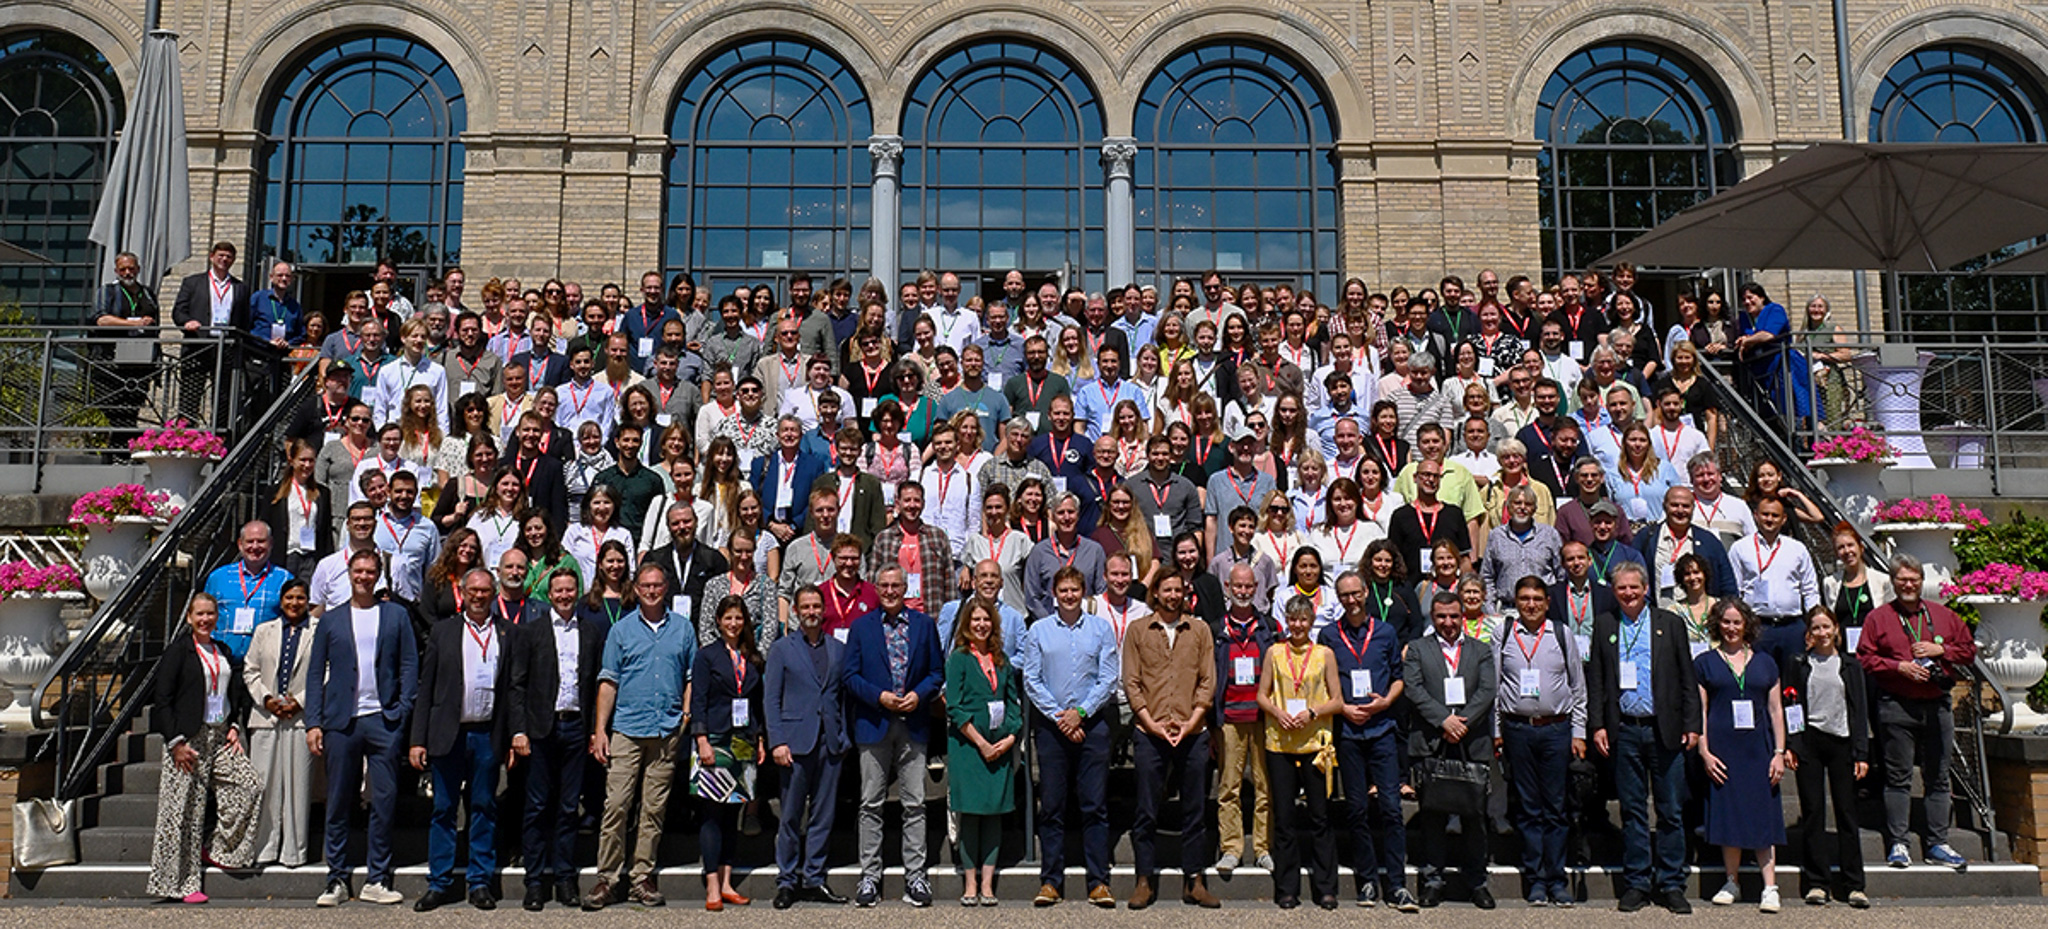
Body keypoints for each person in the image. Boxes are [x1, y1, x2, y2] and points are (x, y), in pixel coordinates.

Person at [305, 549, 418, 908]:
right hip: (341, 722)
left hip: (383, 720)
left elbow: (409, 665)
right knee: (339, 801)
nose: (364, 577)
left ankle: (377, 878)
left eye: (370, 572)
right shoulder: (331, 620)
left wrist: (402, 710)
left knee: (383, 802)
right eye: (359, 571)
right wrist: (314, 721)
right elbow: (314, 673)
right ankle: (336, 878)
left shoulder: (396, 615)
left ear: (378, 575)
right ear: (349, 574)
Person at [1587, 562, 1699, 914]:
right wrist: (1597, 725)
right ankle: (1637, 882)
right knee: (1633, 810)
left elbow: (1687, 677)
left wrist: (1692, 724)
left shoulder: (1670, 624)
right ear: (1614, 591)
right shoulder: (1605, 624)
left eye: (1634, 587)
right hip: (1624, 730)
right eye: (1622, 588)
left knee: (1670, 810)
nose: (1628, 593)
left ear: (1646, 588)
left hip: (1664, 729)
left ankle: (1671, 883)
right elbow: (1597, 680)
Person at [586, 564, 700, 910]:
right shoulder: (621, 630)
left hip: (666, 729)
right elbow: (608, 681)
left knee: (653, 809)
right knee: (616, 805)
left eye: (657, 585)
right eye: (645, 586)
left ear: (666, 588)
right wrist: (600, 730)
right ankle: (607, 878)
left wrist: (685, 715)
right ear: (636, 589)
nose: (651, 591)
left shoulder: (683, 628)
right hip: (627, 728)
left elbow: (691, 676)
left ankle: (642, 877)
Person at [1857, 554, 1976, 870]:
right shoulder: (1879, 618)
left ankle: (1938, 843)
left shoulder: (1944, 616)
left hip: (1937, 705)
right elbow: (1865, 658)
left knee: (1938, 776)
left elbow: (1969, 651)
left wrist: (1942, 650)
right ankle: (1899, 843)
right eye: (1902, 579)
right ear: (1893, 582)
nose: (1908, 585)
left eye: (1914, 579)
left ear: (1922, 582)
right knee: (1898, 777)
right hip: (1896, 705)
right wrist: (1898, 667)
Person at [842, 565, 946, 907]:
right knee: (870, 803)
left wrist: (920, 694)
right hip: (874, 723)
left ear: (906, 588)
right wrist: (879, 697)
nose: (890, 591)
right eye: (884, 586)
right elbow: (850, 676)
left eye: (896, 586)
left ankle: (915, 876)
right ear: (877, 589)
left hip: (913, 722)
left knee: (914, 803)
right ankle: (869, 876)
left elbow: (936, 672)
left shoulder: (924, 625)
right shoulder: (861, 627)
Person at [409, 569, 512, 912]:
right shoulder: (444, 631)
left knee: (483, 807)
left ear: (493, 594)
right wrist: (418, 739)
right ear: (463, 593)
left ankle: (480, 881)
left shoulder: (506, 633)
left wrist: (512, 736)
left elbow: (513, 689)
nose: (479, 596)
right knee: (443, 809)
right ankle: (439, 883)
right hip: (448, 733)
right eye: (473, 591)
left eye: (485, 591)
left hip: (487, 734)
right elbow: (427, 687)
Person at [148, 593, 262, 903]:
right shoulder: (178, 651)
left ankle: (217, 849)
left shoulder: (222, 650)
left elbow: (232, 691)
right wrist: (175, 742)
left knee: (249, 785)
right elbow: (162, 700)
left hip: (219, 735)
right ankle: (179, 884)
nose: (205, 619)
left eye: (210, 614)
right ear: (189, 617)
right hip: (188, 739)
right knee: (183, 812)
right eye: (199, 614)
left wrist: (234, 725)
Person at [505, 568, 607, 911]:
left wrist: (595, 730)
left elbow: (595, 684)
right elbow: (517, 685)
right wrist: (519, 730)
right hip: (540, 730)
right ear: (549, 595)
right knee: (536, 806)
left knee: (567, 807)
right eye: (558, 591)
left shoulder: (590, 633)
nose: (564, 596)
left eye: (569, 590)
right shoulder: (531, 632)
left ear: (578, 592)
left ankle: (564, 878)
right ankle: (534, 882)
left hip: (576, 728)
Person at [1019, 566, 1120, 908]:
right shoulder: (1039, 630)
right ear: (1054, 593)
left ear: (1084, 592)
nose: (1069, 596)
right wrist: (1061, 717)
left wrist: (1081, 712)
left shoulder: (1100, 629)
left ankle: (1099, 882)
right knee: (1052, 806)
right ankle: (1050, 881)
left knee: (1095, 805)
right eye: (1063, 590)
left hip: (1093, 726)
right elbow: (1032, 679)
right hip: (1052, 729)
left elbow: (1108, 677)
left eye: (1074, 590)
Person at [1122, 572, 1221, 908]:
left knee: (1194, 809)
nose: (1173, 595)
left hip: (1192, 732)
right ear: (1156, 592)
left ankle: (1195, 880)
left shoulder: (1200, 630)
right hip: (1149, 732)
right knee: (1146, 810)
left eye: (1178, 589)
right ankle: (1144, 880)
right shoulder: (1138, 630)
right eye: (1167, 589)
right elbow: (1132, 681)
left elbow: (1207, 680)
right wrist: (1151, 723)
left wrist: (1193, 720)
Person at [1317, 571, 1414, 909]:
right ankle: (1368, 880)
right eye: (1344, 595)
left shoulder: (1385, 632)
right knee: (1357, 809)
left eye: (1356, 593)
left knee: (1391, 808)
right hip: (1348, 733)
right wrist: (1342, 707)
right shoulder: (1329, 635)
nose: (1351, 600)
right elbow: (1322, 684)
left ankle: (1397, 884)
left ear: (1365, 594)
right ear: (1338, 598)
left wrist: (1386, 702)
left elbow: (1399, 678)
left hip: (1382, 729)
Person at [1493, 576, 1587, 907]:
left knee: (1555, 808)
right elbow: (1495, 687)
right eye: (1524, 598)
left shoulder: (1561, 634)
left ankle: (1557, 880)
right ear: (1515, 602)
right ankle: (1535, 879)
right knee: (1529, 808)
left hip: (1556, 730)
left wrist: (1579, 732)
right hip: (1518, 729)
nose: (1530, 604)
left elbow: (1578, 687)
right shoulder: (1504, 633)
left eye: (1536, 598)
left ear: (1547, 602)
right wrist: (1496, 731)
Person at [1695, 597, 1788, 912]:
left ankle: (1770, 887)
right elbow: (1701, 710)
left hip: (1758, 750)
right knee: (1729, 815)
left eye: (1737, 621)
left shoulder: (1766, 662)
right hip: (1723, 750)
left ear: (1747, 624)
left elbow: (1776, 710)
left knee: (1763, 815)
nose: (1731, 628)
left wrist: (1779, 752)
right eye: (1726, 621)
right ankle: (1731, 881)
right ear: (1717, 624)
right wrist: (1704, 751)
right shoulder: (1705, 663)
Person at [1406, 592, 1497, 909]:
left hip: (1471, 743)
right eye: (1441, 616)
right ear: (1432, 617)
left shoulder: (1480, 649)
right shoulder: (1417, 649)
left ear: (1463, 617)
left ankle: (1477, 882)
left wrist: (1462, 723)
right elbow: (1414, 688)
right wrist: (1444, 720)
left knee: (1475, 817)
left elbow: (1487, 689)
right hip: (1432, 741)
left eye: (1454, 616)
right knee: (1432, 817)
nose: (1448, 622)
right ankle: (1433, 880)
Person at [765, 586, 853, 908]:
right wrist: (777, 740)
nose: (811, 611)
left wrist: (844, 736)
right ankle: (787, 881)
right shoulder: (781, 649)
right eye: (805, 606)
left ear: (823, 609)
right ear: (796, 611)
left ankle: (814, 878)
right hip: (795, 743)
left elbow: (842, 698)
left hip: (830, 742)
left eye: (816, 606)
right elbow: (771, 699)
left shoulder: (838, 649)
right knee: (790, 816)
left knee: (823, 815)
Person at [1260, 595, 1344, 910]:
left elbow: (1337, 700)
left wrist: (1312, 712)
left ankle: (1326, 888)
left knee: (1320, 816)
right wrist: (1276, 712)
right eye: (1292, 619)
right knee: (1284, 818)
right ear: (1286, 620)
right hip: (1280, 742)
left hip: (1315, 743)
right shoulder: (1274, 652)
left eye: (1303, 619)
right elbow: (1262, 694)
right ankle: (1287, 888)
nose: (1297, 625)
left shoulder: (1324, 654)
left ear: (1311, 621)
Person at [1784, 608, 1870, 907]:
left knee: (1846, 812)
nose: (1822, 633)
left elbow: (1859, 710)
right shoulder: (1798, 663)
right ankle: (1817, 882)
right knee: (1813, 812)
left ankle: (1854, 885)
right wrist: (1792, 743)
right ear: (1809, 632)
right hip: (1810, 741)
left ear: (1836, 629)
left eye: (1826, 627)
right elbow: (1791, 704)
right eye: (1816, 628)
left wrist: (1861, 752)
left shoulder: (1850, 665)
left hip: (1842, 742)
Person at [944, 598, 1025, 907]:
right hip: (969, 747)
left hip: (999, 747)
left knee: (994, 814)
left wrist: (1010, 738)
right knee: (971, 813)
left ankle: (988, 884)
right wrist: (981, 743)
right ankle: (970, 883)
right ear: (967, 623)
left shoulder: (1002, 659)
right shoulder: (959, 659)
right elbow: (954, 706)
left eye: (986, 619)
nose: (981, 625)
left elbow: (1013, 704)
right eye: (976, 619)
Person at [690, 596, 767, 911]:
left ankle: (726, 881)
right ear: (719, 622)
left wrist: (759, 738)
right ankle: (711, 884)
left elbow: (756, 702)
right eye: (728, 618)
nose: (733, 624)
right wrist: (701, 740)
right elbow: (698, 699)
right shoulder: (706, 656)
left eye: (738, 618)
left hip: (743, 740)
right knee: (712, 813)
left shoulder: (752, 657)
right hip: (715, 739)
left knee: (734, 812)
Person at [241, 579, 317, 869]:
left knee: (298, 787)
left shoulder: (318, 630)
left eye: (300, 598)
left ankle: (294, 852)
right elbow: (250, 670)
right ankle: (263, 848)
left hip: (300, 718)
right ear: (281, 600)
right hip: (266, 717)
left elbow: (326, 670)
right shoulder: (265, 630)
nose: (294, 603)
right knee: (263, 785)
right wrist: (266, 699)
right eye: (289, 598)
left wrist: (300, 701)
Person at [1211, 564, 1279, 876]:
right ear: (1227, 587)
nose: (1243, 591)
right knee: (1229, 787)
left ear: (1257, 588)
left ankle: (1263, 848)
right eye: (1237, 586)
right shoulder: (1216, 629)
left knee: (1265, 786)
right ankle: (1231, 848)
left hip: (1264, 717)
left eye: (1249, 586)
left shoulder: (1269, 628)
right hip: (1229, 717)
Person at [1730, 495, 1821, 671]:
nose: (1769, 519)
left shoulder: (1797, 549)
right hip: (1758, 627)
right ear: (1756, 516)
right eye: (1765, 514)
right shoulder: (1740, 548)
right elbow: (1735, 590)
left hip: (1792, 627)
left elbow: (1810, 589)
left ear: (1783, 519)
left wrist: (1813, 624)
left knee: (1794, 677)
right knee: (1759, 676)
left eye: (1775, 515)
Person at [203, 521, 291, 658]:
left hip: (264, 661)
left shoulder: (285, 579)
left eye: (261, 541)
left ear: (270, 543)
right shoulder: (218, 578)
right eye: (250, 541)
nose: (255, 547)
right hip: (220, 659)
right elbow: (203, 616)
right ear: (240, 544)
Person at [266, 439, 334, 582]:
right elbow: (267, 525)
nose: (307, 465)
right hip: (286, 555)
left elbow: (326, 531)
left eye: (311, 460)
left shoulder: (323, 493)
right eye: (302, 460)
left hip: (311, 556)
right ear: (292, 461)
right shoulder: (275, 492)